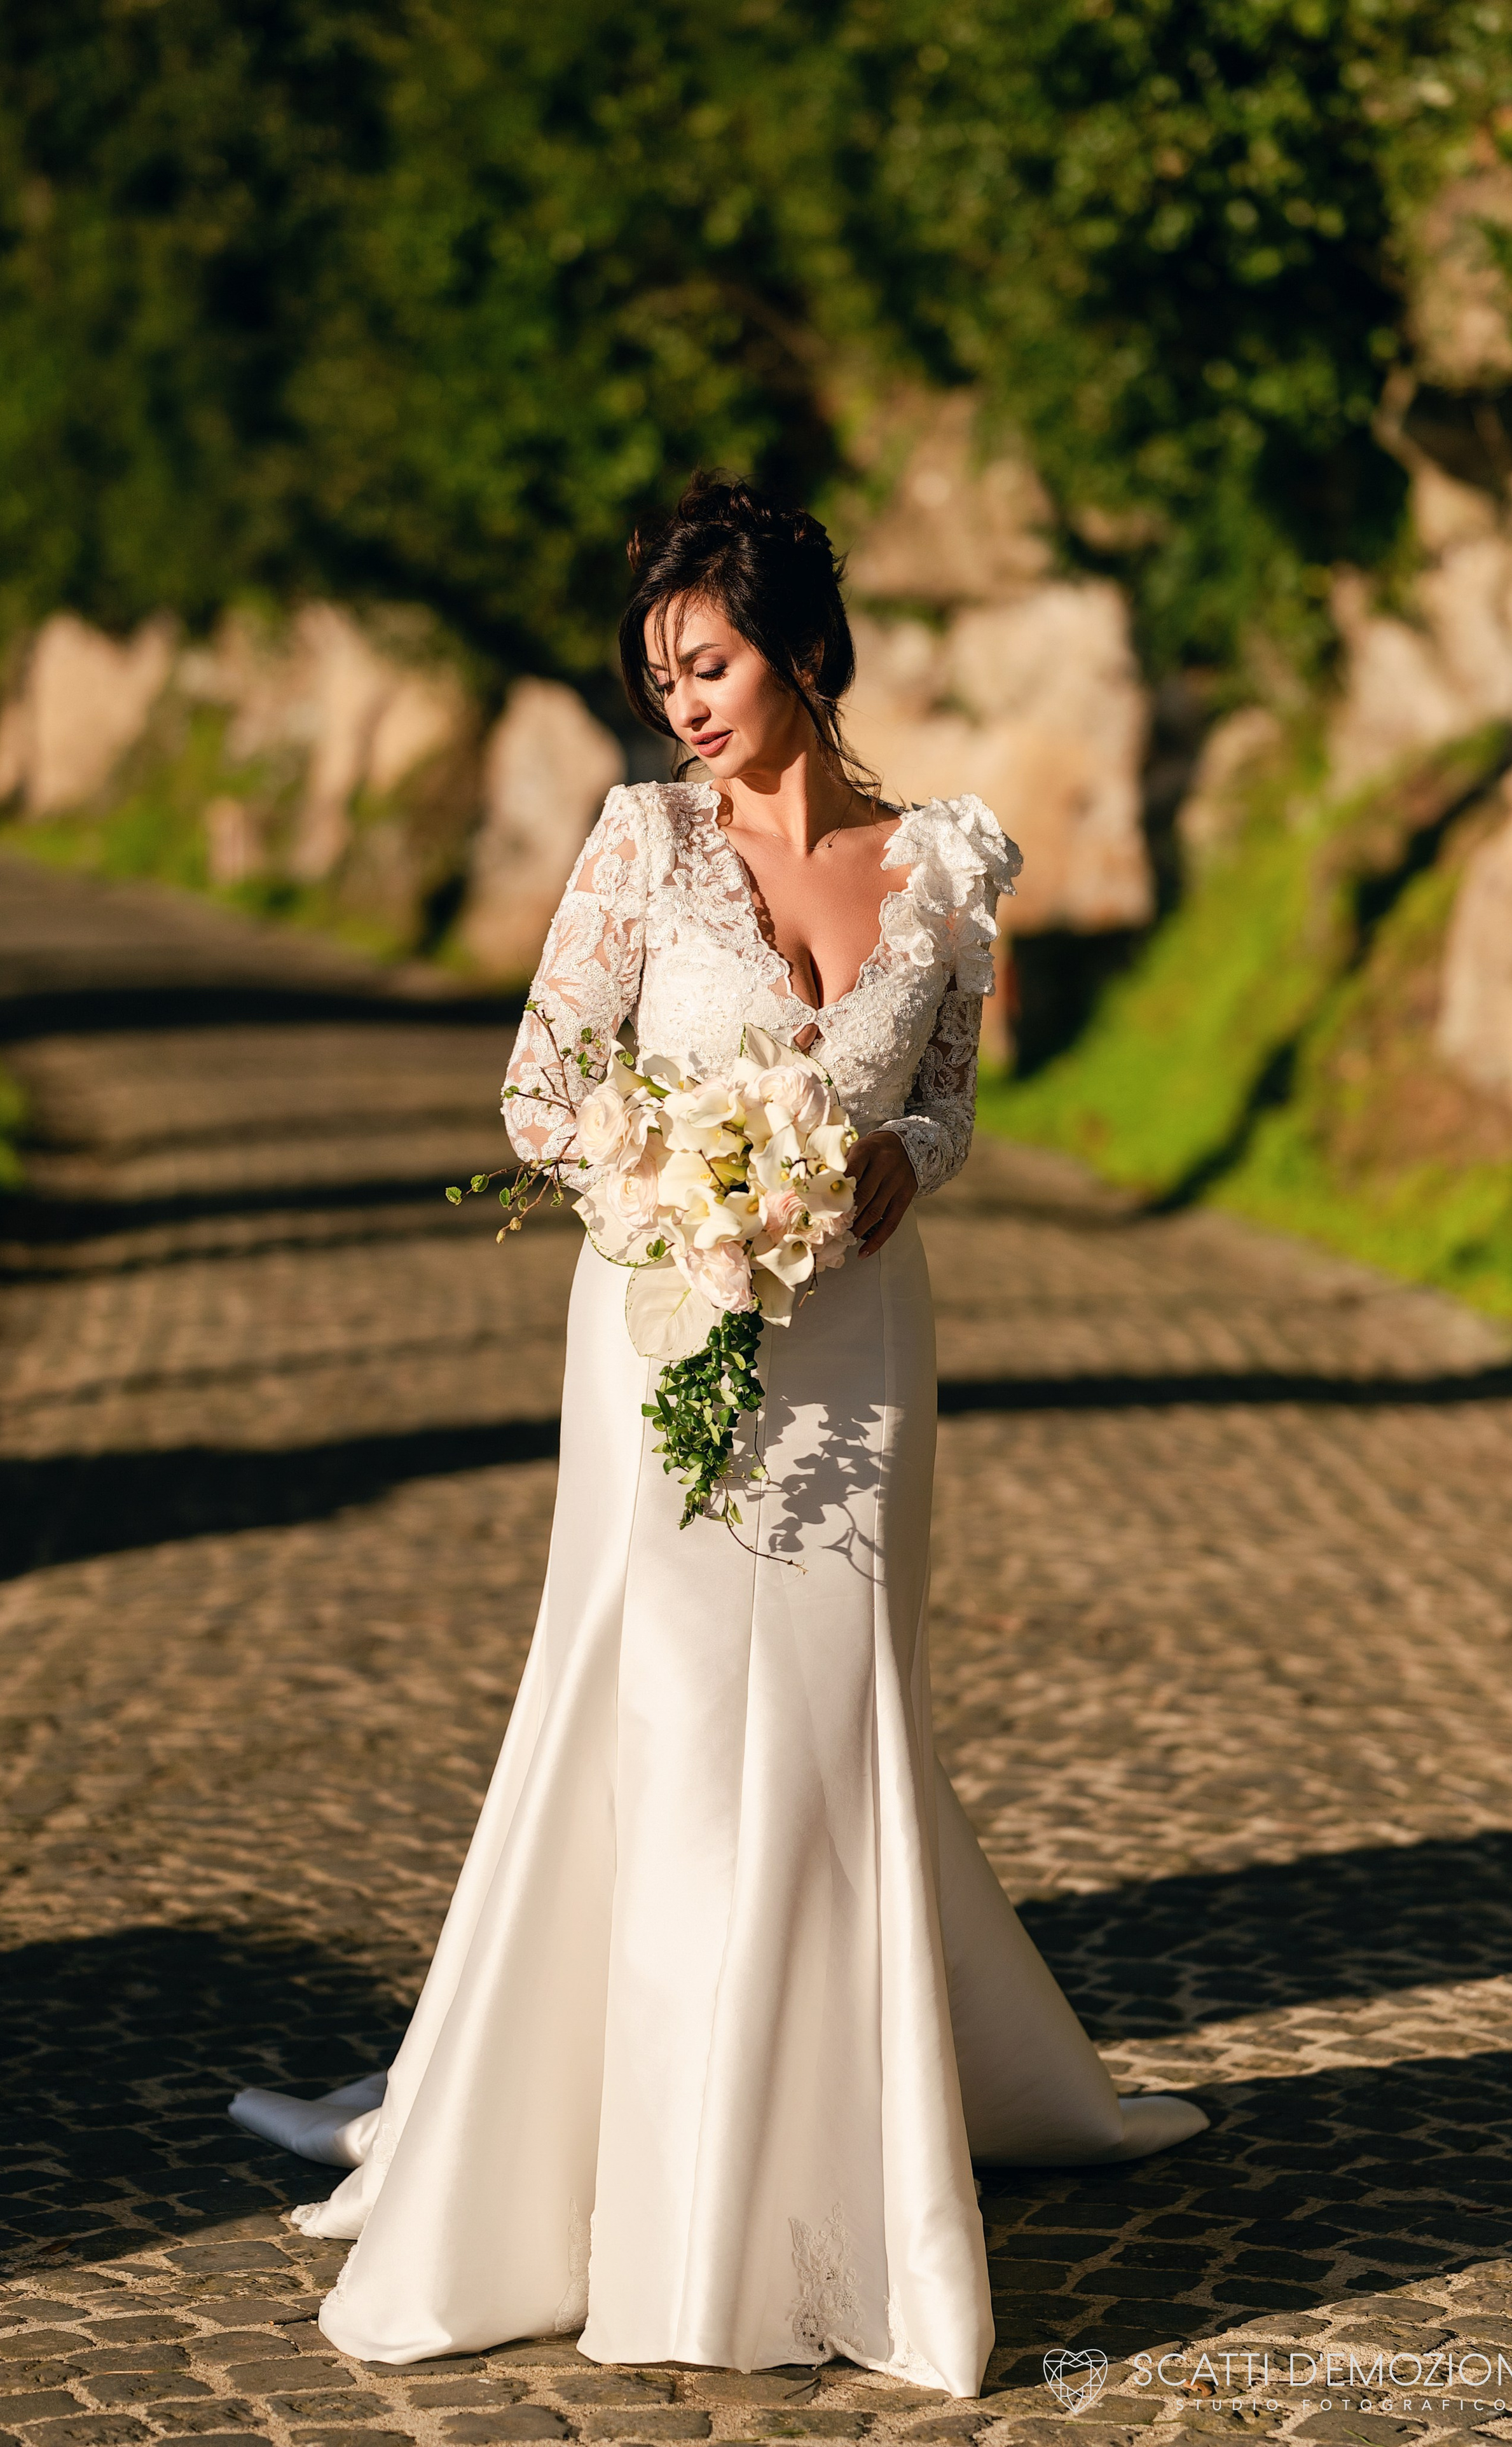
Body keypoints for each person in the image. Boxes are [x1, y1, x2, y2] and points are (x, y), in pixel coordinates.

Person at [230, 474, 1206, 2395]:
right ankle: (653, 2192)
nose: (682, 700)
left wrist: (885, 1185)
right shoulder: (638, 847)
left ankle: (832, 2158)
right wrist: (674, 1179)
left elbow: (945, 1108)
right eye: (659, 669)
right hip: (661, 1321)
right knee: (666, 1716)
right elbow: (540, 1091)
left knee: (839, 1724)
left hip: (857, 1346)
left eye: (713, 660)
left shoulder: (943, 864)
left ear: (806, 652)